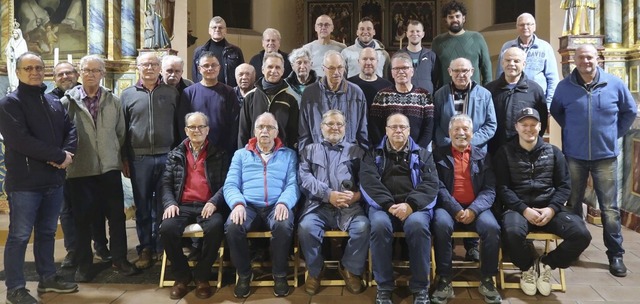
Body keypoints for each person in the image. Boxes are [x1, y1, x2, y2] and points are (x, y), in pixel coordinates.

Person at [550, 44, 637, 277]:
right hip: (574, 156)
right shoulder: (564, 87)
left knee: (609, 209)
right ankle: (574, 246)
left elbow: (630, 111)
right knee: (573, 204)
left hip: (605, 156)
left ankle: (615, 254)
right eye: (580, 58)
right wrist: (571, 131)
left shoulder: (614, 84)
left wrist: (613, 133)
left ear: (597, 58)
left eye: (589, 57)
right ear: (575, 61)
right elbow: (557, 111)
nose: (585, 61)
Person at [0, 52, 78, 304]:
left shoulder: (52, 101)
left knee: (46, 233)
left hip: (52, 180)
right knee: (20, 236)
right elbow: (20, 140)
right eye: (28, 68)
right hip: (25, 183)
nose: (34, 72)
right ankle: (15, 288)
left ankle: (47, 277)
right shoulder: (9, 103)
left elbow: (71, 129)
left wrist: (68, 154)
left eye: (38, 67)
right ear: (19, 71)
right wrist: (58, 155)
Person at [495, 107, 592, 296]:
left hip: (550, 208)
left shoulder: (554, 152)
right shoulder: (504, 153)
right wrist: (524, 210)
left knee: (581, 234)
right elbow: (502, 189)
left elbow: (564, 186)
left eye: (533, 125)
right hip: (518, 209)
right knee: (511, 232)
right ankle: (527, 268)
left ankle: (547, 263)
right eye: (524, 125)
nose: (529, 129)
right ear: (516, 127)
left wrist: (552, 209)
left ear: (540, 127)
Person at [61, 54, 140, 282]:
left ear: (102, 74)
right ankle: (85, 264)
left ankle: (120, 258)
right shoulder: (68, 102)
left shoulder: (113, 101)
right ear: (79, 73)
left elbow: (120, 133)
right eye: (86, 70)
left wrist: (111, 154)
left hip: (108, 169)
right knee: (82, 220)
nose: (91, 74)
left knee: (116, 217)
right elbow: (62, 135)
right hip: (80, 170)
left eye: (95, 71)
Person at [360, 113, 438, 304]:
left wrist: (410, 205)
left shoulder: (424, 155)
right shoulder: (373, 154)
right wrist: (388, 205)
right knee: (378, 226)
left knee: (418, 226)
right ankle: (384, 287)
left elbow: (430, 185)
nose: (398, 130)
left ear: (409, 130)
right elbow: (368, 183)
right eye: (393, 127)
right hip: (383, 207)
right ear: (386, 130)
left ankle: (420, 288)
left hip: (415, 208)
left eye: (402, 127)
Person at [224, 112, 299, 298]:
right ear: (254, 131)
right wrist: (238, 204)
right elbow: (231, 184)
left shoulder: (289, 155)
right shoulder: (240, 155)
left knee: (283, 225)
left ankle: (280, 274)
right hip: (248, 205)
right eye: (260, 127)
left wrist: (284, 202)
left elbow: (293, 184)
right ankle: (243, 274)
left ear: (276, 132)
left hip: (276, 205)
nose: (265, 131)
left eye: (270, 127)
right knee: (233, 227)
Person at [431, 114, 501, 304]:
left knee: (492, 228)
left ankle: (487, 279)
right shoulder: (438, 155)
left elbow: (489, 189)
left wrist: (474, 210)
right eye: (457, 129)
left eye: (466, 129)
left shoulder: (484, 156)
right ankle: (444, 278)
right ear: (449, 132)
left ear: (472, 133)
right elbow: (437, 186)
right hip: (447, 207)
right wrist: (455, 208)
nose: (461, 133)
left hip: (477, 207)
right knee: (441, 225)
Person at [159, 112, 230, 300]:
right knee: (166, 228)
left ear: (207, 130)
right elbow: (165, 183)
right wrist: (170, 203)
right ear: (186, 130)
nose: (196, 130)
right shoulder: (175, 154)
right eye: (192, 127)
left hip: (208, 205)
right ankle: (182, 276)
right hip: (181, 205)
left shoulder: (219, 154)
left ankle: (202, 277)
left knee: (216, 227)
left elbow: (227, 184)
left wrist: (214, 201)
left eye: (200, 127)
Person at [298, 110, 369, 296]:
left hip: (350, 207)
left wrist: (357, 196)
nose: (335, 127)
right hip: (318, 206)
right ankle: (315, 271)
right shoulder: (309, 150)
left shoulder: (357, 152)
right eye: (330, 124)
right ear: (321, 127)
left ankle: (350, 269)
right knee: (306, 228)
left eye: (339, 124)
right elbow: (305, 179)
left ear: (345, 128)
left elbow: (368, 181)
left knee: (363, 226)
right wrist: (328, 194)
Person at [120, 52, 180, 269]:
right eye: (145, 64)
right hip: (139, 157)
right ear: (138, 67)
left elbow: (178, 125)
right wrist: (124, 158)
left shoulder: (171, 92)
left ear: (159, 68)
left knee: (164, 204)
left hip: (167, 155)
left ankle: (163, 246)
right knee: (143, 205)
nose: (150, 68)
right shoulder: (127, 95)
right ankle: (146, 247)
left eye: (154, 64)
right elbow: (122, 131)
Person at [48, 62, 110, 269]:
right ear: (54, 78)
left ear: (77, 75)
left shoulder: (87, 96)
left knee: (96, 207)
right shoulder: (49, 100)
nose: (65, 76)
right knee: (66, 210)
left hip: (89, 162)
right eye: (60, 74)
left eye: (69, 72)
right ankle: (73, 250)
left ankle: (101, 245)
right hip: (62, 164)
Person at [298, 50, 368, 151]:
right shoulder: (310, 94)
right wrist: (306, 158)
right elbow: (304, 133)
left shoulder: (356, 93)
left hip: (349, 158)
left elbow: (363, 133)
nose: (336, 72)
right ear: (323, 69)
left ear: (344, 68)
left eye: (340, 67)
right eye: (331, 68)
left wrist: (362, 160)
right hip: (318, 157)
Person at [485, 47, 548, 156]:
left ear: (524, 64)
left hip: (524, 152)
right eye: (508, 60)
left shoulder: (535, 90)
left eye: (516, 61)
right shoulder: (489, 90)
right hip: (495, 150)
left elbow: (541, 120)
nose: (512, 64)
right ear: (502, 63)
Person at [179, 52, 240, 155]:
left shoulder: (229, 92)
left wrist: (229, 148)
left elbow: (235, 123)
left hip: (222, 151)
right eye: (206, 65)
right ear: (199, 69)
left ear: (219, 67)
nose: (210, 68)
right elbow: (182, 123)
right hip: (195, 151)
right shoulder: (188, 93)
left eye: (214, 65)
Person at [369, 52, 434, 148]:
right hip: (387, 153)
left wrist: (417, 150)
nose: (400, 72)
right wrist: (386, 149)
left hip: (417, 153)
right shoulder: (382, 95)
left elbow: (429, 128)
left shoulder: (424, 96)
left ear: (412, 71)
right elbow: (374, 127)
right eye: (396, 68)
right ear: (392, 73)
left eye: (404, 68)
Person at [433, 57, 496, 154]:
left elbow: (491, 125)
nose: (461, 74)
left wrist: (469, 141)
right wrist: (449, 143)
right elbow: (435, 124)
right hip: (447, 151)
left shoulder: (485, 95)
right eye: (456, 71)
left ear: (472, 71)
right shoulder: (440, 95)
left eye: (464, 71)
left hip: (476, 152)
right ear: (450, 71)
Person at [495, 13, 559, 107]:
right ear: (517, 27)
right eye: (521, 25)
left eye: (529, 24)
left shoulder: (545, 48)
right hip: (512, 99)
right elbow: (500, 75)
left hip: (537, 100)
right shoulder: (507, 47)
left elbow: (553, 79)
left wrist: (549, 104)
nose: (525, 27)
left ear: (534, 27)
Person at [238, 52, 299, 149]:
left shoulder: (290, 99)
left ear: (283, 71)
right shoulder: (250, 97)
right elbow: (243, 132)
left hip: (281, 155)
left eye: (278, 67)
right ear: (262, 69)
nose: (273, 71)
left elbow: (293, 134)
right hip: (254, 154)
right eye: (270, 67)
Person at [431, 1, 492, 87]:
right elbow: (434, 71)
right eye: (451, 17)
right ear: (446, 20)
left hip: (473, 93)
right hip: (446, 94)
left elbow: (486, 68)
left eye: (457, 16)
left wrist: (487, 90)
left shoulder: (477, 38)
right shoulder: (437, 41)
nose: (455, 20)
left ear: (463, 18)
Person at [192, 16, 244, 85]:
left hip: (229, 93)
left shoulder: (235, 51)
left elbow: (241, 73)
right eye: (214, 27)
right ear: (209, 31)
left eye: (220, 27)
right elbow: (195, 75)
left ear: (225, 31)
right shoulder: (199, 52)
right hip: (205, 92)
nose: (217, 30)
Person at [401, 20, 437, 94]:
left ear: (423, 34)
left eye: (418, 31)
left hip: (426, 98)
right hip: (405, 98)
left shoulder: (431, 55)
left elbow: (435, 78)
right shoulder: (399, 56)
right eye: (412, 31)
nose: (415, 34)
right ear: (406, 34)